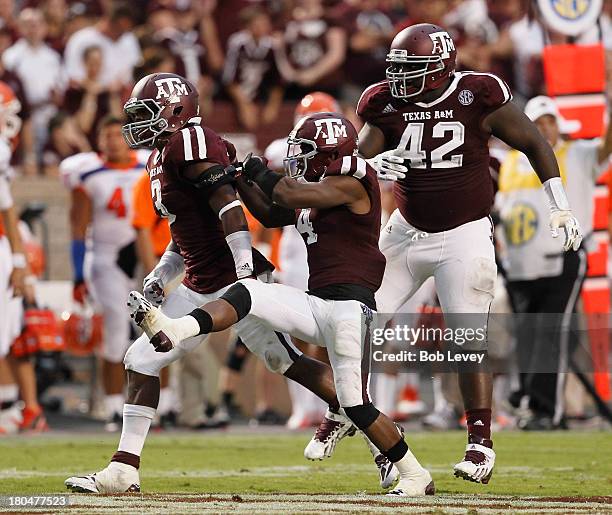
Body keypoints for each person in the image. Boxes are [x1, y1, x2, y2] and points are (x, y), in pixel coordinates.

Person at [64, 73, 387, 494]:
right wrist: (161, 277)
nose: (137, 122)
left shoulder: (191, 142)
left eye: (145, 112)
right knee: (144, 360)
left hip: (232, 280)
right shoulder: (160, 157)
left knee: (282, 360)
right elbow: (186, 235)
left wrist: (244, 274)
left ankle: (379, 439)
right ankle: (124, 471)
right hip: (201, 281)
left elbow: (228, 205)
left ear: (175, 113)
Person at [127, 112, 435, 497]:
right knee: (250, 294)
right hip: (319, 305)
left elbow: (285, 194)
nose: (298, 159)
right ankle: (179, 327)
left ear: (331, 152)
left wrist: (252, 168)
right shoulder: (324, 187)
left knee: (356, 405)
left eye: (306, 151)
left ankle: (414, 473)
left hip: (348, 310)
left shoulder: (354, 178)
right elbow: (271, 213)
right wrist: (235, 176)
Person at [357, 24, 583, 484]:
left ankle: (480, 443)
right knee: (354, 321)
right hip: (405, 231)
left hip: (464, 232)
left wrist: (559, 204)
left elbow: (535, 143)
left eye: (412, 69)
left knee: (466, 341)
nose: (400, 79)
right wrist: (368, 167)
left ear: (440, 69)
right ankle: (379, 436)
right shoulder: (384, 102)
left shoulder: (477, 95)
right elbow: (354, 163)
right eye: (397, 69)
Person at [496, 95, 612, 429]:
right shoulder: (512, 161)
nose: (545, 127)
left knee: (552, 333)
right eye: (538, 122)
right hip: (519, 264)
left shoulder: (578, 153)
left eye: (550, 121)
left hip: (561, 257)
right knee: (529, 336)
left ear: (559, 124)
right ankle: (530, 404)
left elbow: (605, 148)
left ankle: (547, 410)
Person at [61, 116, 147, 432]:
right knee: (114, 327)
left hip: (143, 255)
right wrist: (77, 274)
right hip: (106, 258)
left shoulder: (146, 167)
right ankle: (113, 406)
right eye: (105, 134)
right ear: (98, 140)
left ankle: (160, 404)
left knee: (156, 330)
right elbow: (77, 227)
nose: (112, 140)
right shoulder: (88, 172)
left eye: (117, 134)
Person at [0, 80, 43, 433]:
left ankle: (14, 408)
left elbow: (7, 208)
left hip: (4, 249)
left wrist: (19, 262)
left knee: (8, 334)